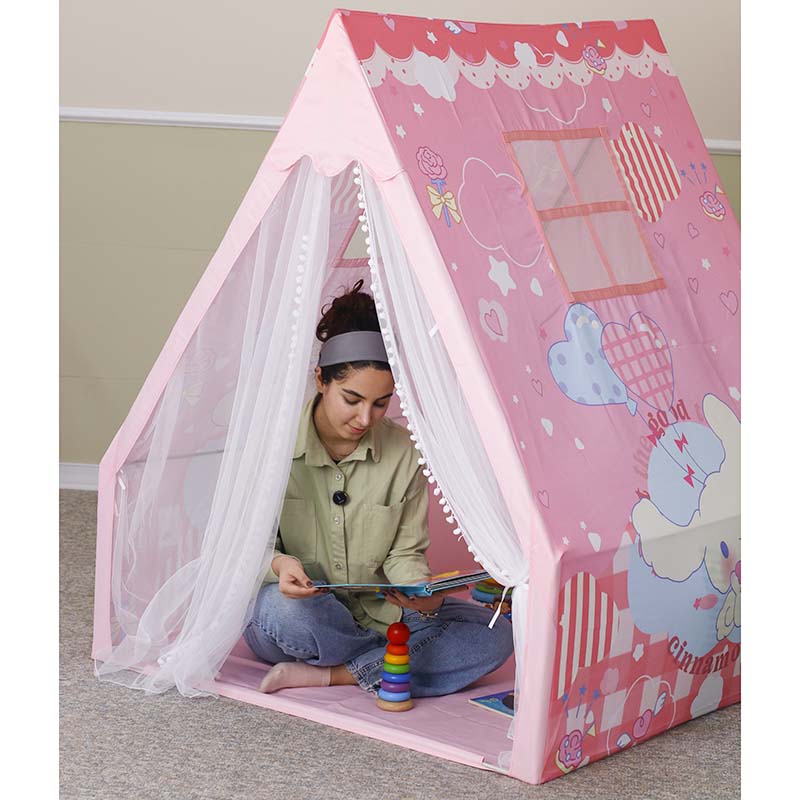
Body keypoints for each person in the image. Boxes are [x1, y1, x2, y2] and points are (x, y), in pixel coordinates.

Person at [244, 279, 514, 697]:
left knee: (495, 635)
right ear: (321, 380)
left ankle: (335, 673)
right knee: (283, 613)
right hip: (304, 614)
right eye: (352, 399)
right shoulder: (272, 445)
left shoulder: (404, 451)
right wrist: (280, 566)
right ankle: (392, 660)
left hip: (380, 615)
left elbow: (404, 554)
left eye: (381, 403)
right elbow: (243, 551)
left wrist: (422, 595)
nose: (365, 418)